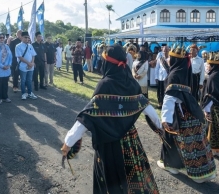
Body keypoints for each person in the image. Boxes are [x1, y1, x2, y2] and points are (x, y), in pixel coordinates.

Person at [61, 44, 161, 194]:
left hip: (109, 146)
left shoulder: (105, 84)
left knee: (111, 184)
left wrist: (69, 142)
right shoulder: (132, 82)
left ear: (108, 63)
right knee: (135, 178)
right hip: (130, 142)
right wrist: (161, 127)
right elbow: (148, 108)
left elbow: (88, 116)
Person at [157, 44, 216, 183]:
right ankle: (205, 171)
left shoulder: (174, 74)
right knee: (198, 141)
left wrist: (165, 119)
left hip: (178, 114)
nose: (169, 60)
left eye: (171, 57)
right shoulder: (186, 71)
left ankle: (172, 166)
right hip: (191, 110)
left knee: (172, 138)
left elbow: (169, 99)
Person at [15, 31, 37, 100]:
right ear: (21, 37)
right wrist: (29, 63)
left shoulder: (30, 45)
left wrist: (32, 63)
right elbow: (20, 57)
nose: (27, 39)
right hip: (23, 66)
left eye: (28, 37)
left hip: (31, 66)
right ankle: (24, 93)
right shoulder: (18, 46)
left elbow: (33, 55)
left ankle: (30, 93)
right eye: (25, 37)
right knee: (23, 80)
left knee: (29, 80)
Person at [155, 44, 170, 109]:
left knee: (166, 91)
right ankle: (160, 103)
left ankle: (165, 104)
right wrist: (156, 77)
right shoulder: (160, 59)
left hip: (168, 78)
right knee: (160, 91)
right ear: (162, 51)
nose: (165, 52)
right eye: (164, 51)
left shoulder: (171, 59)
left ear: (169, 51)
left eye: (166, 50)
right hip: (160, 77)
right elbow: (157, 68)